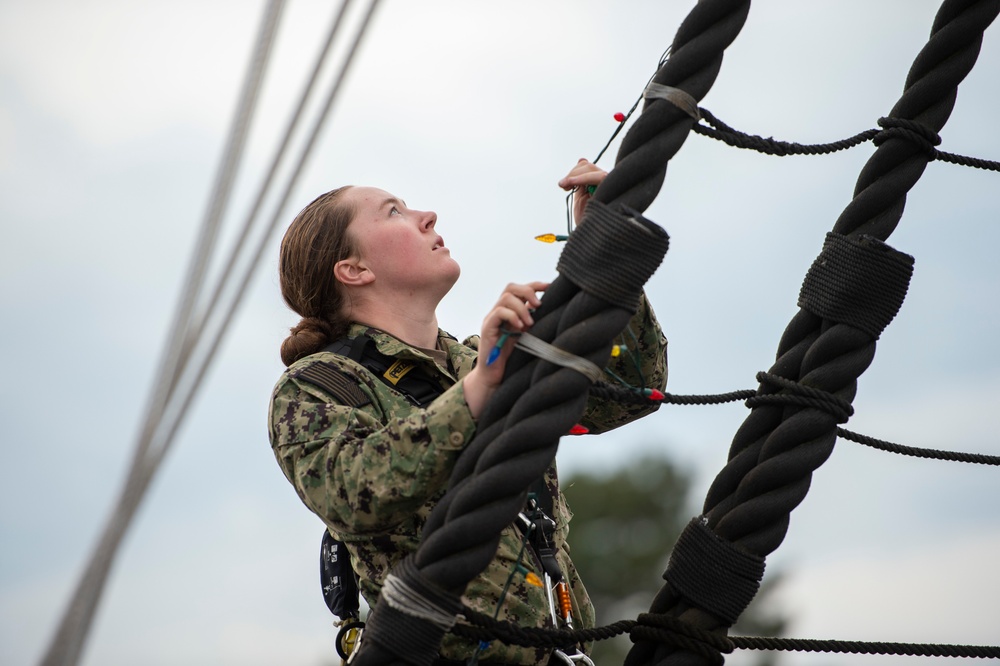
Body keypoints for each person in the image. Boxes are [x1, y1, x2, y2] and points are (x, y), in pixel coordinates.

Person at [268, 159, 668, 665]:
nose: (427, 216)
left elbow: (631, 389)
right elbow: (355, 493)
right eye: (394, 212)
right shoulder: (315, 387)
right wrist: (480, 390)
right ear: (354, 271)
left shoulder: (478, 361)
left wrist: (608, 249)